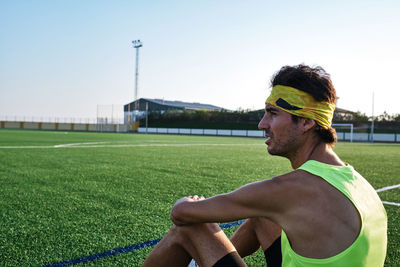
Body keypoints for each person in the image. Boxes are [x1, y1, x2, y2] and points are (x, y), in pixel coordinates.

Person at [142, 64, 387, 267]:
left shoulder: (289, 191)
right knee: (263, 216)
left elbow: (181, 215)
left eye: (272, 113)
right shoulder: (358, 183)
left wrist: (184, 203)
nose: (262, 124)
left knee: (190, 229)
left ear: (305, 122)